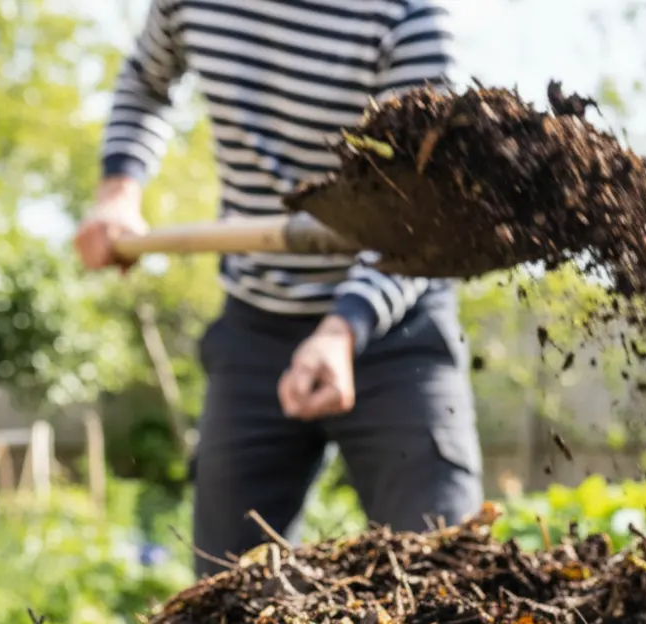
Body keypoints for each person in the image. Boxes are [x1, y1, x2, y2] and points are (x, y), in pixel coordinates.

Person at [74, 0, 483, 577]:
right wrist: (118, 190)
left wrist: (344, 327)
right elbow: (146, 82)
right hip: (256, 321)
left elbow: (425, 209)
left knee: (446, 574)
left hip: (395, 322)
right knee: (225, 589)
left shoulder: (404, 13)